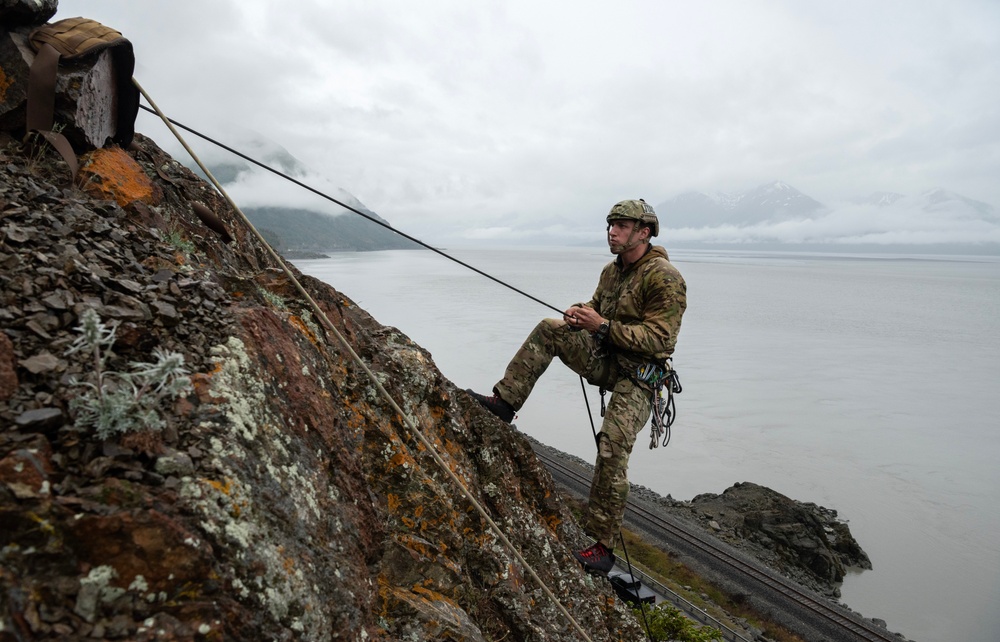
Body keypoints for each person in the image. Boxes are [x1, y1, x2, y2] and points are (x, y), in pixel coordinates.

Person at [467, 198, 687, 575]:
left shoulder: (664, 277)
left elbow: (660, 341)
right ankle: (505, 402)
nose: (611, 232)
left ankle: (602, 547)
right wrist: (579, 313)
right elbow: (598, 306)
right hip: (609, 360)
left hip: (639, 377)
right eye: (610, 225)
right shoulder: (612, 271)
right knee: (549, 329)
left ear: (644, 232)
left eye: (620, 226)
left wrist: (600, 325)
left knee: (613, 445)